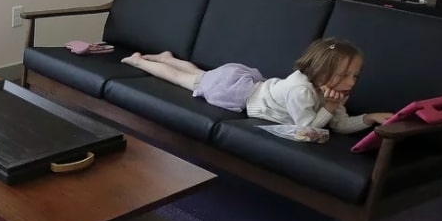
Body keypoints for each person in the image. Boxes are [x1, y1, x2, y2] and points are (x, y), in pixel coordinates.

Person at [121, 37, 394, 132]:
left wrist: (368, 118)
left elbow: (339, 124)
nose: (350, 82)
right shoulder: (301, 90)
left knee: (200, 74)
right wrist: (330, 107)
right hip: (238, 91)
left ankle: (168, 57)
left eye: (354, 76)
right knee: (186, 79)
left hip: (248, 82)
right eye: (344, 75)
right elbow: (305, 129)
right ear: (321, 71)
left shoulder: (332, 93)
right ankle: (140, 62)